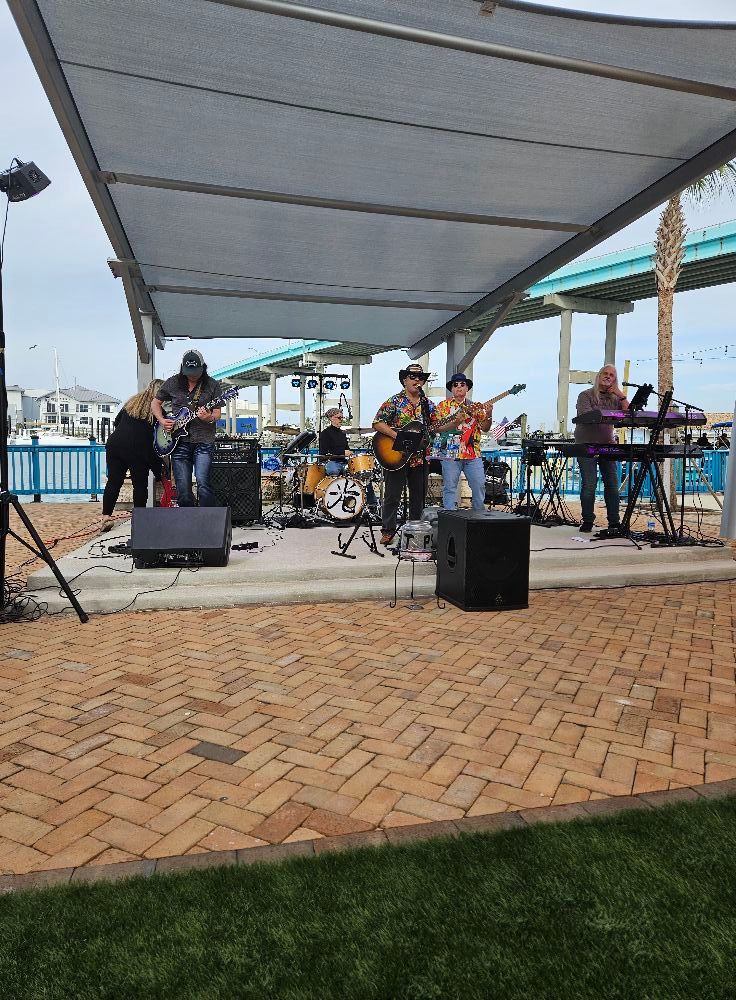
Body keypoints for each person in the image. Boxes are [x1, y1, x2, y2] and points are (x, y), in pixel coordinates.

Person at [373, 363, 461, 545]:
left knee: (417, 498)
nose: (417, 380)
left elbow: (438, 426)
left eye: (420, 378)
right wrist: (397, 436)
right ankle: (388, 530)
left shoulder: (427, 404)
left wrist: (454, 422)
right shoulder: (394, 401)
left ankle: (414, 531)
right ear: (404, 380)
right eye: (412, 377)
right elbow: (377, 423)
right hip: (396, 455)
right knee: (392, 495)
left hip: (420, 457)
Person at [151, 349, 223, 507]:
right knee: (183, 489)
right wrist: (162, 421)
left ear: (203, 368)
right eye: (188, 372)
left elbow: (218, 412)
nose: (192, 376)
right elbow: (155, 403)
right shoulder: (173, 382)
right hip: (179, 442)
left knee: (203, 483)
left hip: (204, 441)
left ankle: (207, 520)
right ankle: (188, 523)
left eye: (196, 372)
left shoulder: (212, 385)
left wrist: (209, 417)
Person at [101, 379, 163, 530]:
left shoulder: (132, 402)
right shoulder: (158, 411)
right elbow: (157, 444)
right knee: (140, 484)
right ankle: (139, 519)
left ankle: (106, 517)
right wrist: (160, 472)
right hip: (138, 448)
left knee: (114, 482)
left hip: (115, 444)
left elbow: (117, 423)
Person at [574, 364, 628, 533]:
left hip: (607, 445)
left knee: (612, 485)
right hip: (586, 444)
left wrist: (620, 395)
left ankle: (614, 522)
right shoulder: (585, 395)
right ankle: (588, 520)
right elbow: (588, 416)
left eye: (612, 375)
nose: (608, 376)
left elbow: (629, 413)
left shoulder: (615, 398)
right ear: (599, 376)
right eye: (605, 373)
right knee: (589, 485)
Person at [432, 372, 492, 511]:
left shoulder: (475, 406)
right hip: (450, 452)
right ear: (452, 389)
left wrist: (489, 415)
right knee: (450, 487)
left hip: (472, 453)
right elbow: (436, 427)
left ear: (467, 388)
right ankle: (449, 517)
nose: (459, 387)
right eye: (455, 385)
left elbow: (485, 428)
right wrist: (455, 422)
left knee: (479, 485)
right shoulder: (442, 406)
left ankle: (479, 515)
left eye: (462, 384)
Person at [319, 407, 352, 476]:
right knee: (333, 470)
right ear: (331, 418)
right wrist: (342, 452)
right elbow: (324, 452)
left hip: (343, 462)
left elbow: (347, 448)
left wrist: (350, 452)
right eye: (339, 418)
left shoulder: (342, 433)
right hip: (331, 462)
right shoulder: (325, 433)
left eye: (342, 418)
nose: (341, 420)